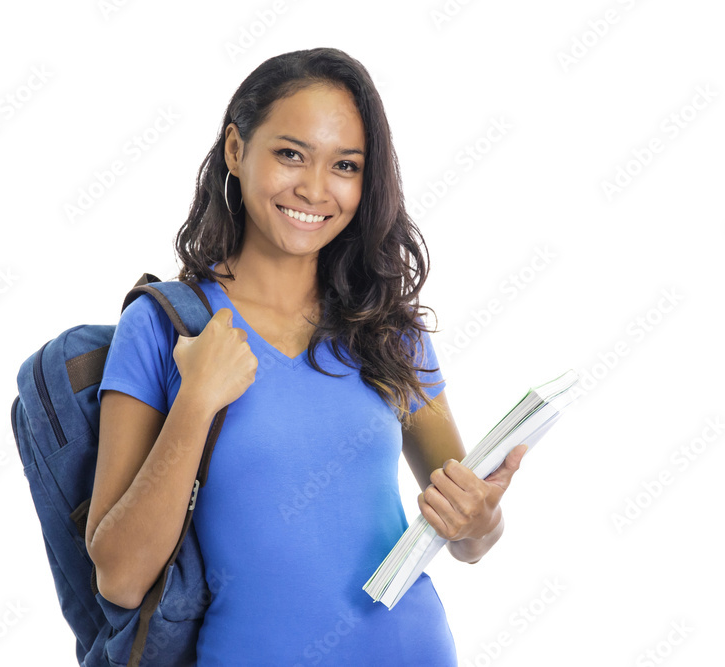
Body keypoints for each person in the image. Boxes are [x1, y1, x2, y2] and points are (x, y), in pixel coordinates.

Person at [84, 47, 529, 665]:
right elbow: (120, 579)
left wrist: (481, 521)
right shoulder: (163, 327)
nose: (315, 189)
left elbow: (467, 539)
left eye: (345, 165)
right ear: (236, 150)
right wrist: (196, 401)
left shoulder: (388, 328)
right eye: (291, 154)